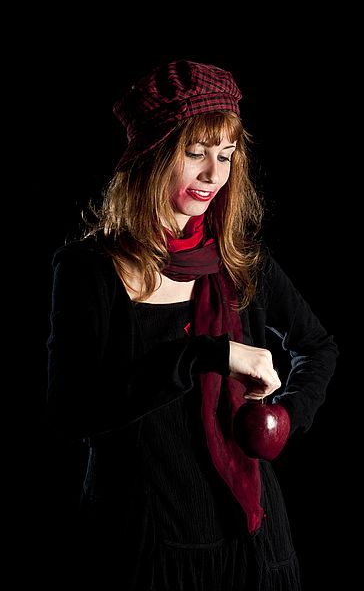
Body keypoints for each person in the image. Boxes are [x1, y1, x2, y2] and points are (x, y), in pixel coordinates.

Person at [47, 59, 338, 591]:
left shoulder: (239, 259)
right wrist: (209, 353)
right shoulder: (90, 268)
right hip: (145, 551)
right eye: (195, 153)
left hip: (254, 546)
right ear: (151, 155)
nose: (213, 175)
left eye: (226, 156)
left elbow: (317, 348)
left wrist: (285, 419)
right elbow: (71, 412)